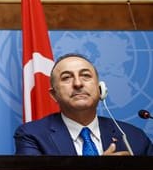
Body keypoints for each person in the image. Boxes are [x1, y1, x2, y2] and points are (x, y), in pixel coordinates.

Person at [14, 53, 153, 156]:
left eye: (85, 76)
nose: (78, 84)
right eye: (67, 78)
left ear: (100, 90)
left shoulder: (133, 137)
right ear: (54, 95)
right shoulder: (32, 135)